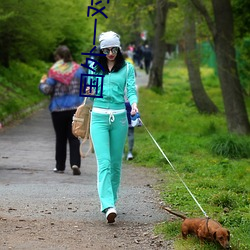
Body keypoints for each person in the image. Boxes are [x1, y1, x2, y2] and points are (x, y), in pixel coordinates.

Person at [86, 31, 138, 223]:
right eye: (106, 49)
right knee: (105, 163)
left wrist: (134, 104)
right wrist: (89, 90)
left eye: (114, 49)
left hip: (119, 119)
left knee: (116, 164)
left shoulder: (127, 68)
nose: (110, 53)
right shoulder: (95, 67)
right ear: (101, 50)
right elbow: (89, 92)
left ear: (118, 48)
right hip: (98, 117)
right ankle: (108, 205)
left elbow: (131, 90)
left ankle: (112, 201)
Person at [39, 45, 86, 175]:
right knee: (74, 136)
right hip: (76, 109)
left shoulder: (54, 71)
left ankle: (60, 167)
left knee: (60, 138)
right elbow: (86, 87)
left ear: (58, 57)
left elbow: (47, 90)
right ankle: (75, 163)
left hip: (58, 109)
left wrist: (42, 83)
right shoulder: (79, 70)